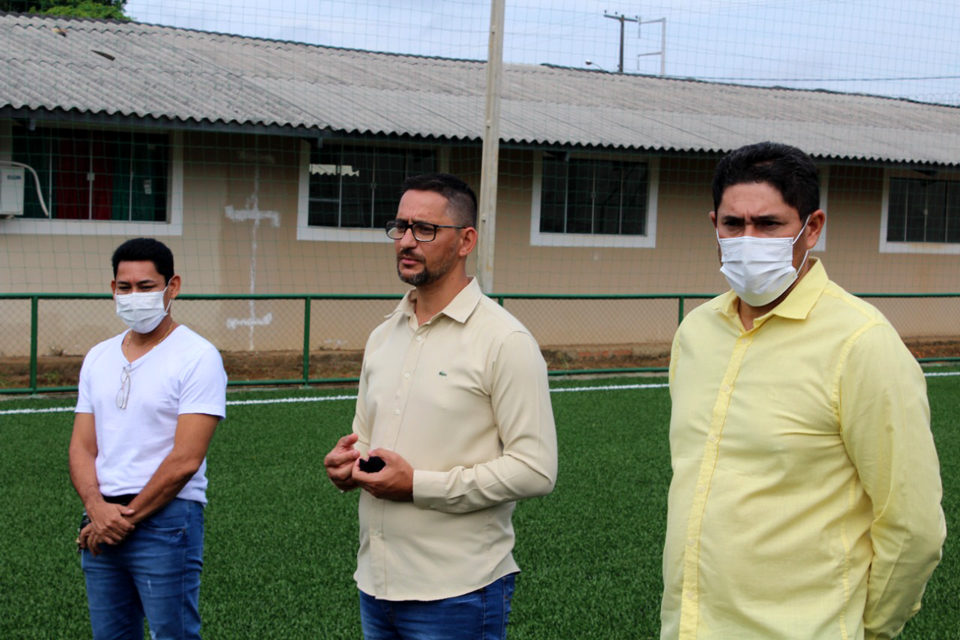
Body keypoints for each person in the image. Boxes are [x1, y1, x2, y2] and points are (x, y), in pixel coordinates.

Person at [660, 141, 946, 639]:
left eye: (769, 225)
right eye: (734, 225)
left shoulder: (862, 344)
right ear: (714, 226)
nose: (748, 239)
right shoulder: (696, 332)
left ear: (812, 227)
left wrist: (867, 629)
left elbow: (913, 527)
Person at [324, 173, 558, 639]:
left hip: (459, 593)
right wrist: (348, 465)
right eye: (401, 227)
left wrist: (418, 485)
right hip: (375, 584)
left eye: (425, 229)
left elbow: (536, 470)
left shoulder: (504, 340)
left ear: (466, 239)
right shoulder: (383, 335)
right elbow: (365, 439)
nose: (407, 241)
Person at [69, 237, 227, 639]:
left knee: (173, 634)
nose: (134, 296)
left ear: (172, 287)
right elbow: (83, 446)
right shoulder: (98, 357)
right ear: (113, 289)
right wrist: (96, 508)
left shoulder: (197, 356)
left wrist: (124, 519)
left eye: (146, 287)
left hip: (166, 521)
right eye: (125, 288)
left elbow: (186, 459)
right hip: (101, 518)